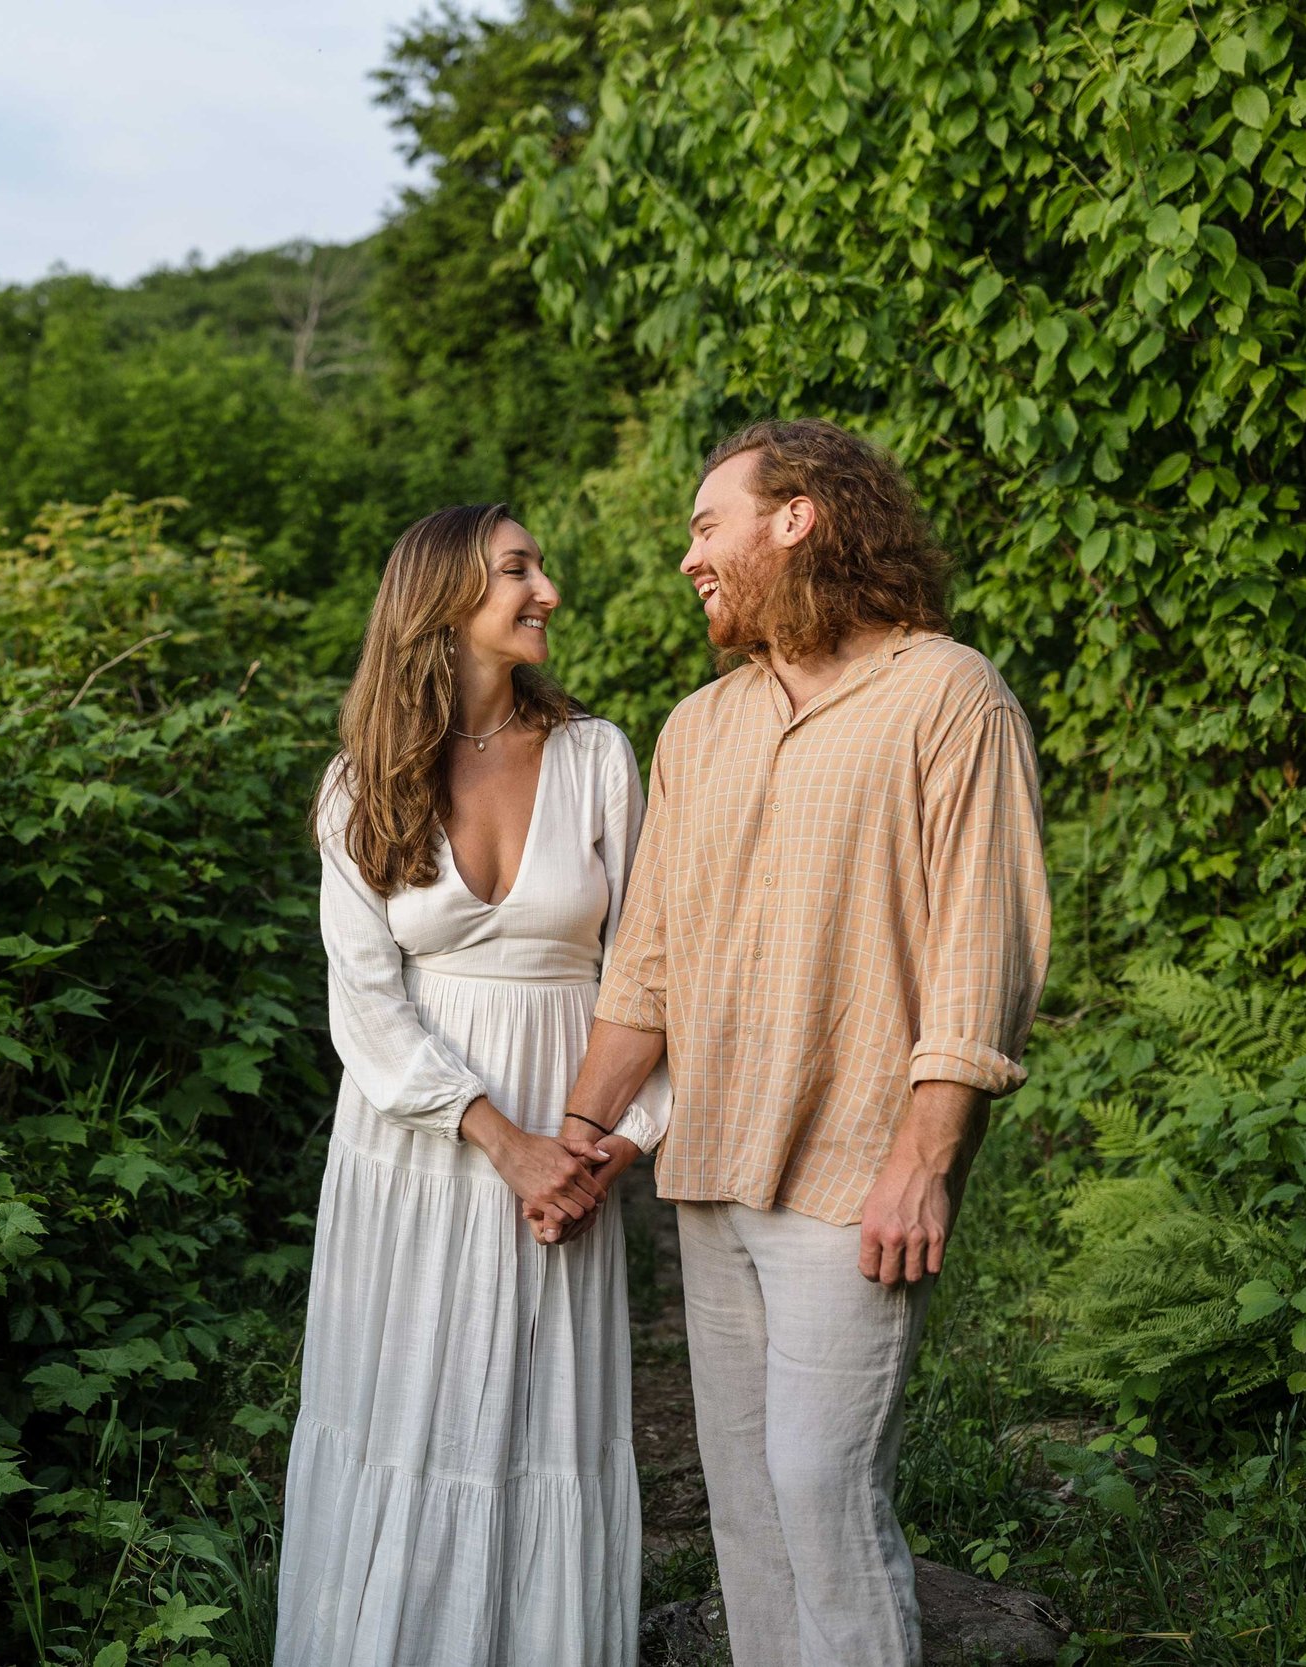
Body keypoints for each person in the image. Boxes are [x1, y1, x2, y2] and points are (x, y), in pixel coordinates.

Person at [558, 419, 1051, 1667]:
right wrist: (577, 1136)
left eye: (704, 523)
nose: (688, 557)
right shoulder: (697, 727)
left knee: (822, 1493)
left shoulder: (949, 692)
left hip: (853, 1173)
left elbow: (978, 952)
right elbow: (648, 965)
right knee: (748, 1511)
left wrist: (925, 1158)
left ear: (797, 516)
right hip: (713, 1169)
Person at [274, 503, 670, 1666]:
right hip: (420, 1149)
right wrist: (504, 1141)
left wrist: (612, 1146)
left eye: (537, 566)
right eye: (516, 569)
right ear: (443, 601)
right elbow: (366, 1004)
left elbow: (652, 966)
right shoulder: (362, 783)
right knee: (406, 1409)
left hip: (575, 1132)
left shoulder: (597, 754)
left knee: (543, 1425)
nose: (545, 587)